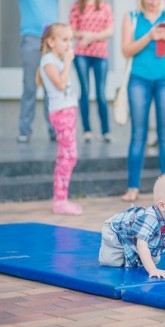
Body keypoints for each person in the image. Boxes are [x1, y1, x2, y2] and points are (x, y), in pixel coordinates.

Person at [120, 0, 165, 203]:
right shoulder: (131, 17)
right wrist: (150, 36)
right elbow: (126, 50)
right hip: (139, 79)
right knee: (138, 133)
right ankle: (133, 187)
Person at [38, 23, 82, 216]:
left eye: (70, 40)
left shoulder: (55, 59)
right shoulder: (48, 60)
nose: (68, 43)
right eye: (64, 39)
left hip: (68, 111)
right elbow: (60, 84)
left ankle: (61, 198)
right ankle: (60, 200)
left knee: (69, 155)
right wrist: (68, 62)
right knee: (67, 156)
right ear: (51, 41)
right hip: (61, 113)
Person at [69, 0, 114, 143]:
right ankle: (87, 130)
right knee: (85, 91)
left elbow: (110, 30)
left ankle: (105, 131)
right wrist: (85, 34)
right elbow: (71, 31)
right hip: (81, 54)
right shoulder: (76, 7)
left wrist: (90, 37)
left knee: (101, 94)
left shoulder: (105, 6)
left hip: (101, 55)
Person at [17, 0, 58, 143]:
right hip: (31, 38)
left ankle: (54, 130)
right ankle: (24, 130)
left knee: (51, 88)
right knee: (29, 87)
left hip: (52, 40)